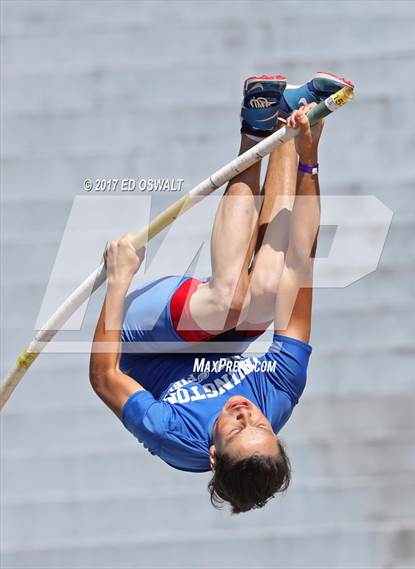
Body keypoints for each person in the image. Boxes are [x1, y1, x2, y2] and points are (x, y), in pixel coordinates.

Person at [89, 72, 353, 514]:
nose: (244, 410)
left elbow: (104, 377)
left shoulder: (174, 437)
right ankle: (282, 125)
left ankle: (253, 131)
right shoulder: (279, 392)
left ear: (213, 455)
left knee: (230, 301)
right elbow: (299, 262)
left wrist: (119, 280)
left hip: (142, 338)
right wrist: (308, 154)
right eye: (259, 422)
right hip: (210, 328)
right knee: (270, 294)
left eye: (234, 428)